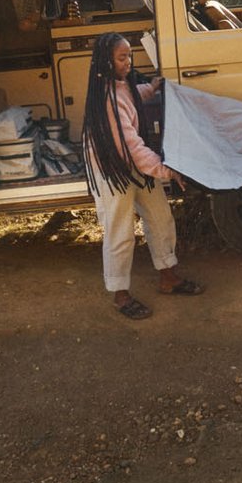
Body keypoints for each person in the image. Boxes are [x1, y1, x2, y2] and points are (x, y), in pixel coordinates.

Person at [83, 32, 203, 319]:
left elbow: (134, 97)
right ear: (106, 61)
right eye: (122, 57)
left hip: (135, 166)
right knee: (120, 233)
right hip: (113, 170)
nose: (128, 62)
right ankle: (120, 295)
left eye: (130, 55)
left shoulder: (122, 86)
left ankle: (169, 278)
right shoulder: (106, 99)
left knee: (160, 218)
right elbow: (132, 147)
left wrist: (153, 87)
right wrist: (166, 170)